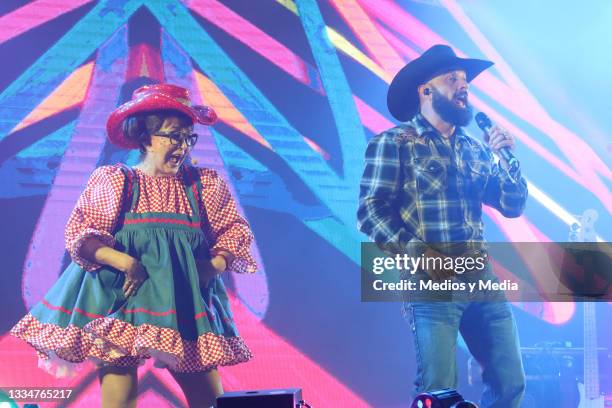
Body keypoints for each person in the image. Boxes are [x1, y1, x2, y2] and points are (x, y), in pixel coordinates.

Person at [11, 83, 258, 408]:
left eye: (188, 137)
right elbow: (83, 236)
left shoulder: (202, 185)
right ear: (145, 137)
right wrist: (126, 263)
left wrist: (212, 266)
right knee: (119, 401)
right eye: (173, 136)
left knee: (211, 401)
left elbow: (234, 231)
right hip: (124, 303)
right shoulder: (116, 181)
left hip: (182, 304)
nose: (182, 146)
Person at [357, 45, 528, 407]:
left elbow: (512, 206)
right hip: (430, 281)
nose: (462, 86)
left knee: (510, 382)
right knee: (438, 389)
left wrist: (506, 158)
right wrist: (419, 254)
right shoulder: (394, 143)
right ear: (426, 90)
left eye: (465, 80)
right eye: (452, 79)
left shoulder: (475, 150)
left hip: (479, 275)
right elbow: (370, 211)